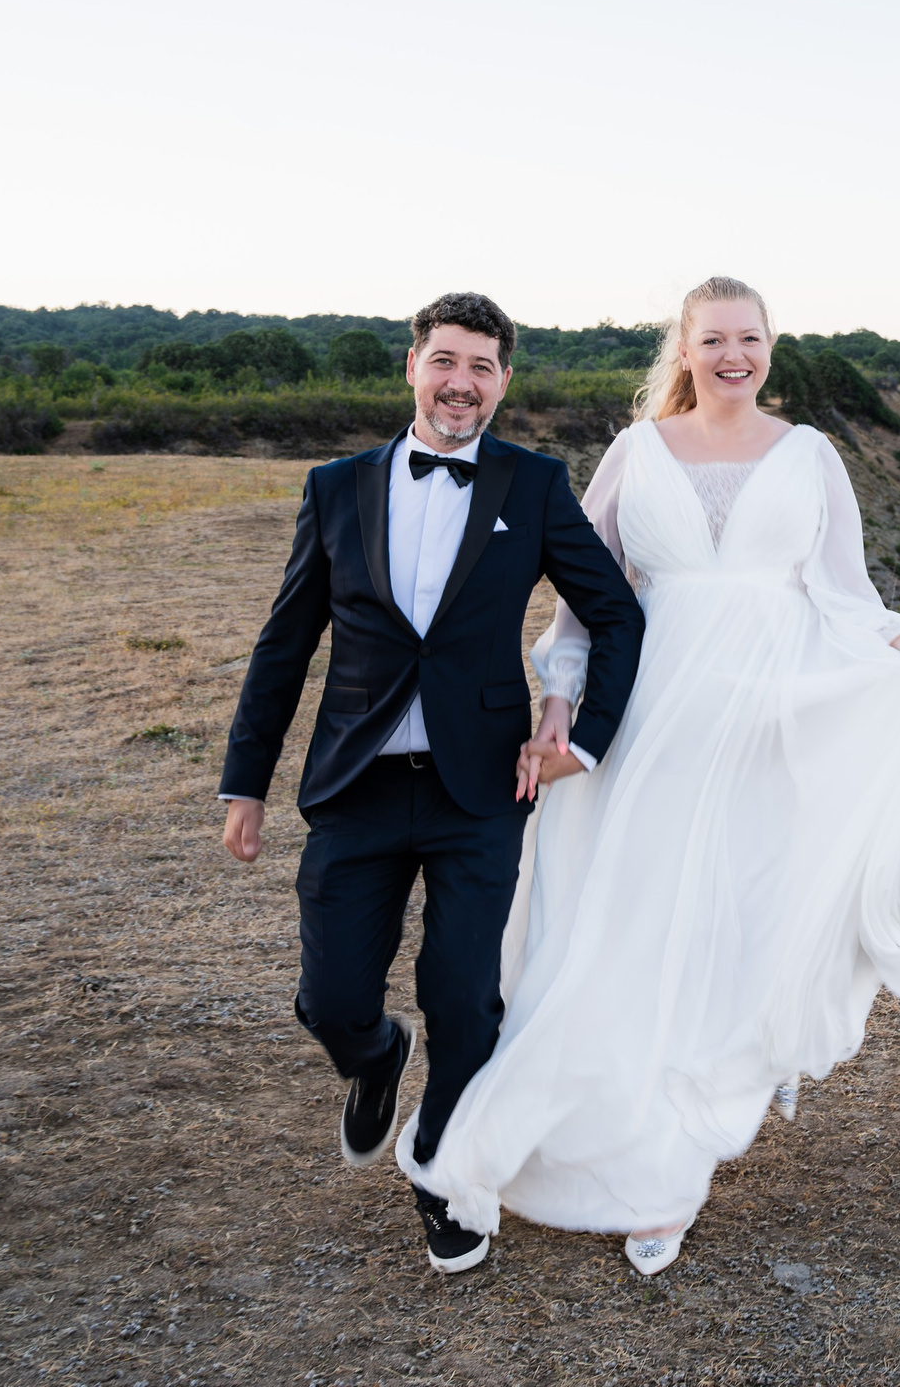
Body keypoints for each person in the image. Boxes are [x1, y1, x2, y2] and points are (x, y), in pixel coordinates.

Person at [400, 275, 900, 1276]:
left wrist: (895, 645)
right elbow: (586, 594)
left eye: (750, 339)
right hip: (647, 719)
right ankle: (572, 1133)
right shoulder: (637, 452)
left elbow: (842, 591)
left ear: (770, 348)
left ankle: (670, 1172)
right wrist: (561, 700)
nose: (733, 356)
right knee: (620, 933)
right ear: (686, 349)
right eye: (714, 340)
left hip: (757, 726)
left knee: (721, 933)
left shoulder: (812, 455)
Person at [216, 292, 645, 1275]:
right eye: (445, 360)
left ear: (504, 382)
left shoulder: (534, 484)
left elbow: (615, 612)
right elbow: (285, 645)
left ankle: (445, 1177)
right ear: (412, 366)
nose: (461, 383)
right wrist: (246, 783)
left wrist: (585, 738)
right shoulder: (336, 487)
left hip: (481, 789)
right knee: (331, 999)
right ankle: (376, 1060)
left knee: (463, 999)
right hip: (356, 784)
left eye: (482, 366)